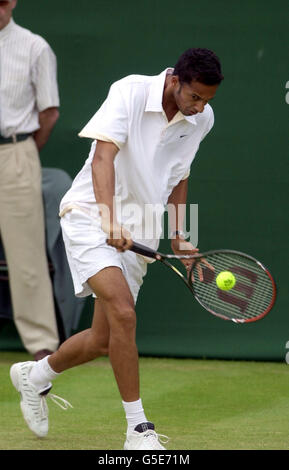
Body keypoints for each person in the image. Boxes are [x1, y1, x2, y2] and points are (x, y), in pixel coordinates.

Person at [10, 47, 224, 449]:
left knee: (102, 339)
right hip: (90, 215)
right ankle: (138, 432)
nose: (200, 108)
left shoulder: (202, 119)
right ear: (175, 80)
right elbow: (102, 157)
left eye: (207, 100)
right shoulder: (129, 91)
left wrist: (180, 235)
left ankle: (35, 375)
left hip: (141, 234)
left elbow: (180, 176)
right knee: (124, 313)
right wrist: (109, 219)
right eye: (195, 96)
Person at [0, 0, 60, 360]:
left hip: (16, 150)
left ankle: (41, 345)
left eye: (3, 2)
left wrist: (23, 152)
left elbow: (48, 111)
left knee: (26, 253)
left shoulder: (34, 46)